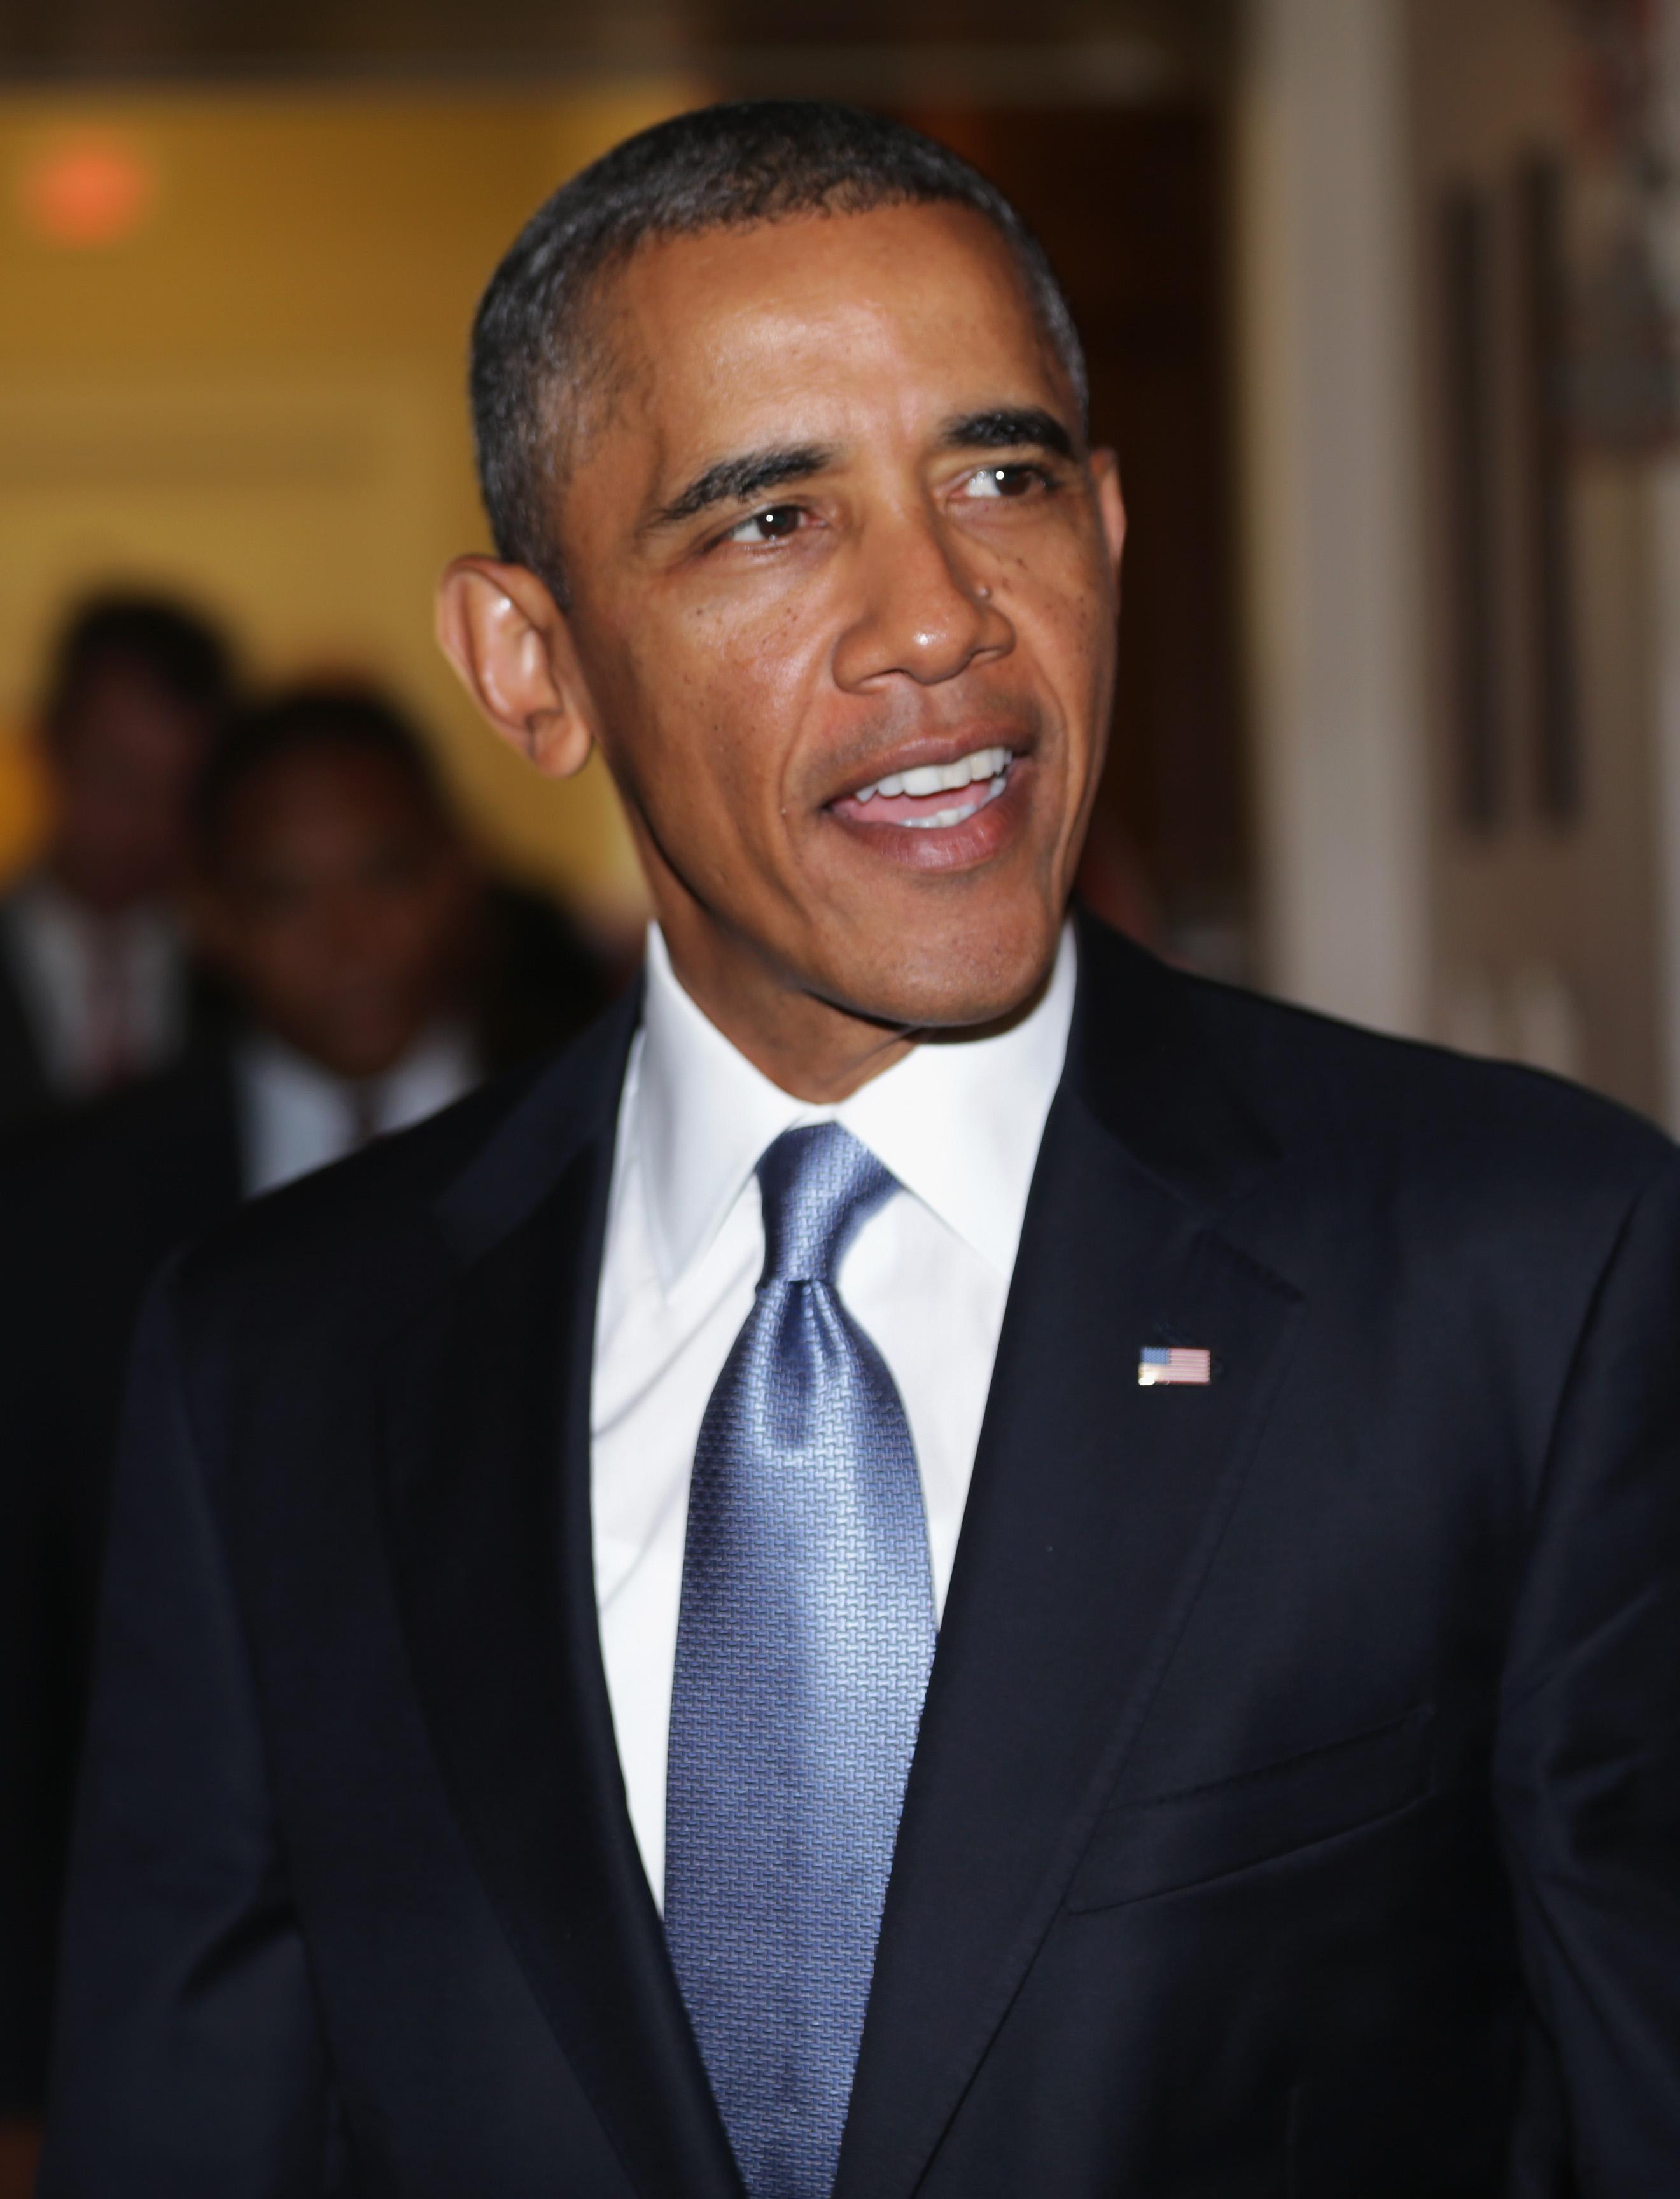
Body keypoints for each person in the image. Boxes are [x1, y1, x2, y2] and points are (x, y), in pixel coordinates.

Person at [41, 102, 1679, 2196]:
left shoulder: (1520, 1271)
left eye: (1001, 479)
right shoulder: (278, 1362)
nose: (940, 618)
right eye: (769, 523)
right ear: (530, 665)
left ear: (1107, 524)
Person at [0, 684, 606, 2141]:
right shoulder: (66, 1217)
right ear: (206, 916)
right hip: (196, 1990)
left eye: (386, 875)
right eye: (285, 895)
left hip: (568, 1995)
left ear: (460, 869)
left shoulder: (610, 1143)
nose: (347, 936)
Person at [0, 592, 234, 1134]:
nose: (141, 820)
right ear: (47, 743)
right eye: (113, 774)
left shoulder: (242, 987)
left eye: (178, 792)